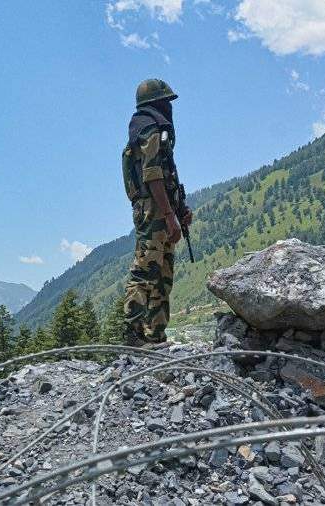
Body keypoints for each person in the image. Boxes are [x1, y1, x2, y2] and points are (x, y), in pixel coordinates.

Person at [121, 78, 192, 347]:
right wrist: (168, 214)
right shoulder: (149, 129)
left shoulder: (152, 129)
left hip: (160, 209)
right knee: (146, 269)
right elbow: (153, 176)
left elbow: (165, 175)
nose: (169, 108)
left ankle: (155, 336)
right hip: (154, 211)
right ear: (156, 103)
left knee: (162, 273)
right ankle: (134, 335)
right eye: (166, 102)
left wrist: (179, 210)